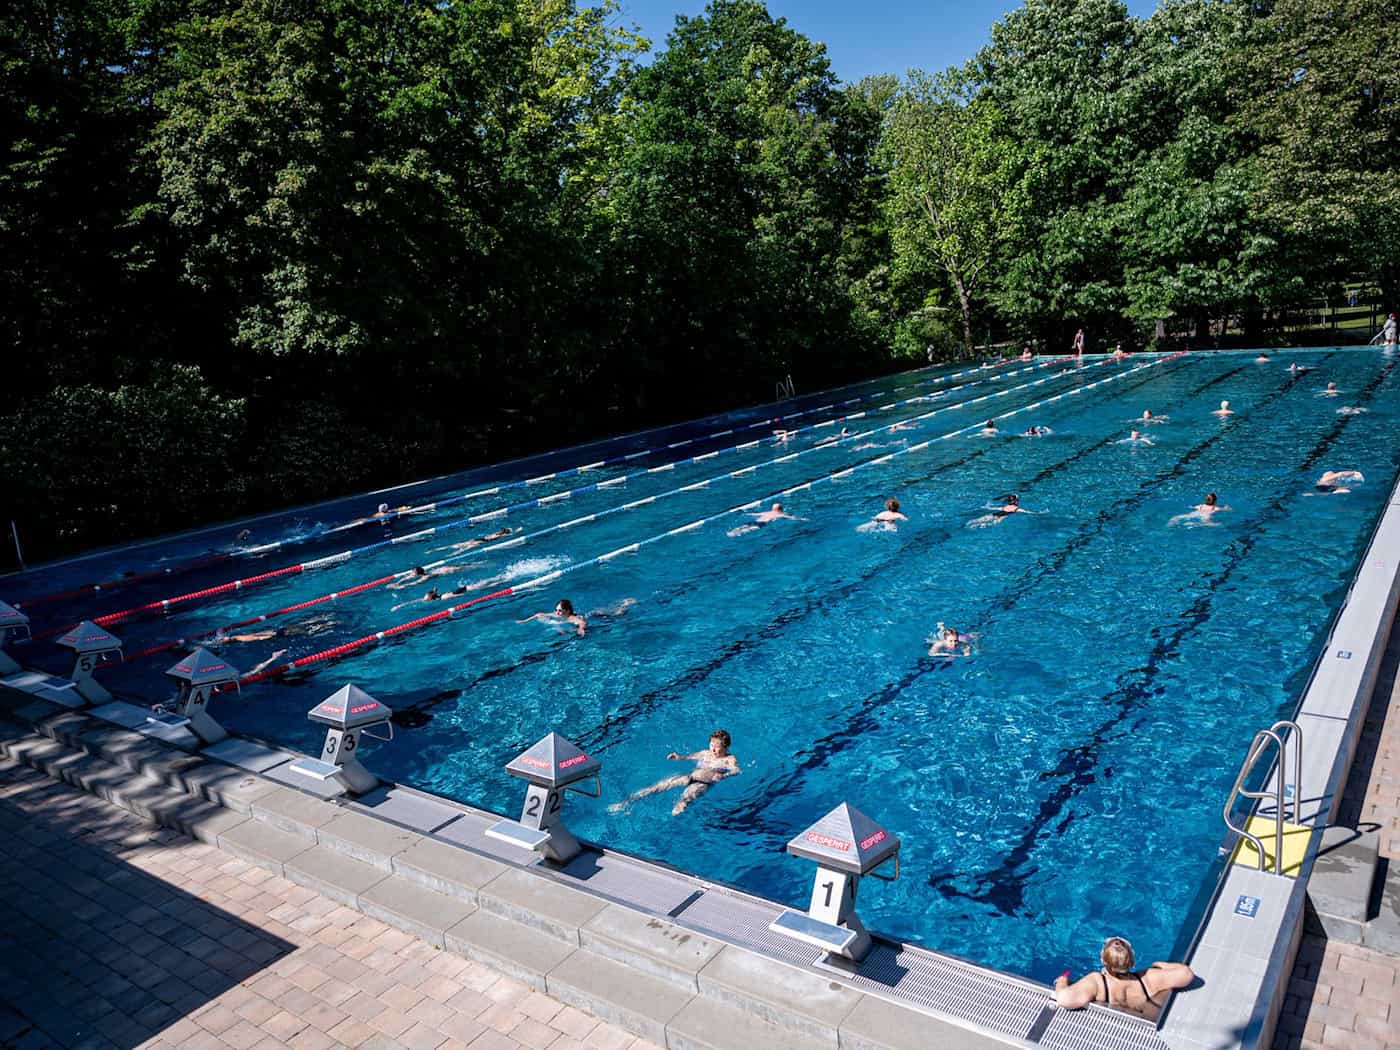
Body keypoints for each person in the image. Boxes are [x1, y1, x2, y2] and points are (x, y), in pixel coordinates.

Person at [1052, 936, 1193, 1021]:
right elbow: (1186, 974)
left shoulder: (1098, 983)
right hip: (1147, 1025)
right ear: (1132, 962)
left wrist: (1062, 981)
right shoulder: (1147, 978)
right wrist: (1158, 965)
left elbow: (1064, 999)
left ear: (1103, 960)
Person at [609, 730, 740, 816]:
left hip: (702, 783)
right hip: (689, 776)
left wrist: (724, 775)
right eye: (711, 744)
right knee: (655, 787)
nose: (713, 748)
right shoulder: (705, 753)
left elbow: (736, 770)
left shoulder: (729, 759)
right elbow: (690, 757)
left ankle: (670, 821)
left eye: (716, 746)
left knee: (684, 800)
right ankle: (625, 803)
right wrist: (679, 757)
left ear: (726, 747)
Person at [517, 598, 589, 637]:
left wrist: (580, 629)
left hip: (579, 619)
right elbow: (538, 614)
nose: (557, 612)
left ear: (567, 611)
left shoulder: (571, 618)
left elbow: (582, 622)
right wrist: (524, 621)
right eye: (556, 610)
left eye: (560, 611)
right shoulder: (556, 614)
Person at [728, 502, 802, 536]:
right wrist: (802, 519)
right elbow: (791, 517)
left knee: (743, 526)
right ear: (780, 509)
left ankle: (732, 531)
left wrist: (746, 514)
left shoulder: (766, 512)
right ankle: (734, 534)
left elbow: (755, 514)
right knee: (748, 530)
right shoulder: (780, 514)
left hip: (755, 521)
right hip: (761, 524)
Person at [387, 564, 460, 590]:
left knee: (467, 567)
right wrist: (397, 583)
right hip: (442, 569)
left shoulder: (425, 577)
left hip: (446, 571)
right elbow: (407, 578)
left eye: (413, 572)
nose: (411, 573)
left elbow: (415, 583)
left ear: (417, 574)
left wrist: (401, 586)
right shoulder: (423, 573)